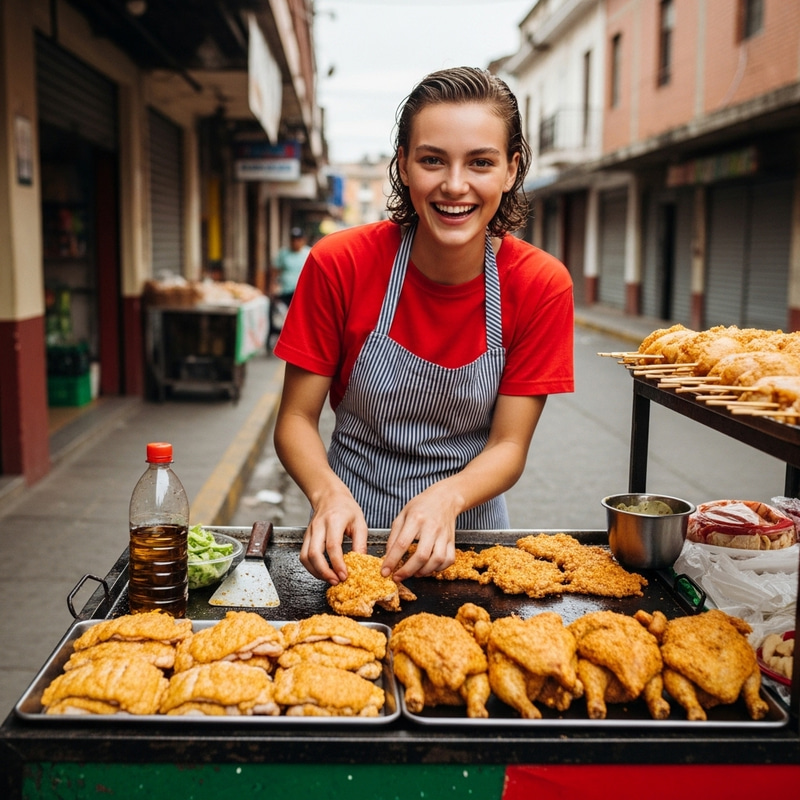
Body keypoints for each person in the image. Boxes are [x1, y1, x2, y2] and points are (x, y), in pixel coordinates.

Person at [273, 66, 574, 587]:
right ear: (404, 166)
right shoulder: (339, 263)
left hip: (472, 539)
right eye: (433, 160)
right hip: (349, 540)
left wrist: (448, 498)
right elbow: (296, 418)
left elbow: (508, 445)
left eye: (480, 162)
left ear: (511, 169)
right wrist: (325, 493)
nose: (454, 185)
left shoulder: (540, 284)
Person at [269, 227, 311, 345]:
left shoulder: (309, 253)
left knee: (300, 318)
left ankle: (299, 341)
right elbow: (275, 271)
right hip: (285, 290)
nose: (295, 242)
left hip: (302, 292)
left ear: (303, 240)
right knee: (282, 316)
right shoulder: (283, 254)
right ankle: (283, 341)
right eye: (293, 240)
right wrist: (273, 285)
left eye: (298, 239)